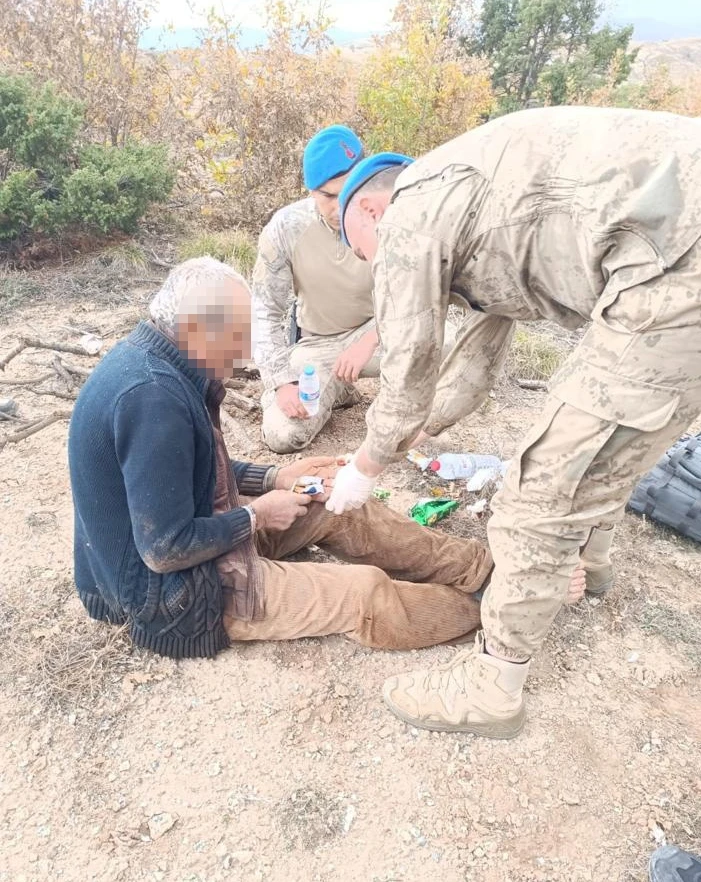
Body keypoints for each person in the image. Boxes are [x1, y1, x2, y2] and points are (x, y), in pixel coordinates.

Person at [325, 106, 701, 738]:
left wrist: (365, 465)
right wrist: (424, 425)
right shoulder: (476, 197)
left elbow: (409, 356)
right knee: (612, 435)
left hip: (673, 265)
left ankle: (492, 687)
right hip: (670, 248)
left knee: (539, 487)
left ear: (368, 211)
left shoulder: (411, 214)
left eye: (361, 254)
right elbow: (474, 362)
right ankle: (594, 562)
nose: (370, 266)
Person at [68, 257, 504, 659]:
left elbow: (187, 474)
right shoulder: (152, 399)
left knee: (337, 505)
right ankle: (507, 607)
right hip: (170, 595)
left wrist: (277, 477)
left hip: (186, 559)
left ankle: (485, 571)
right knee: (366, 593)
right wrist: (254, 517)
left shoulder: (160, 367)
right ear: (198, 330)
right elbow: (164, 550)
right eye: (238, 336)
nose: (244, 355)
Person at [252, 124, 379, 454]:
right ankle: (337, 389)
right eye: (327, 196)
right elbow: (264, 310)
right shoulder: (285, 227)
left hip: (379, 333)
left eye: (349, 190)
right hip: (318, 344)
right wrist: (280, 381)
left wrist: (370, 339)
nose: (340, 206)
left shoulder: (386, 215)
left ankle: (420, 417)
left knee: (446, 341)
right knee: (283, 435)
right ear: (310, 191)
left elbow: (415, 298)